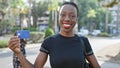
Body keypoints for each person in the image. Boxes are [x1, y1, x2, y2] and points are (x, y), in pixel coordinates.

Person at [8, 2, 101, 68]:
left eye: (72, 16)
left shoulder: (83, 41)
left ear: (76, 19)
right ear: (59, 17)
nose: (67, 19)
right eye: (63, 15)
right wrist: (18, 53)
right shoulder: (49, 42)